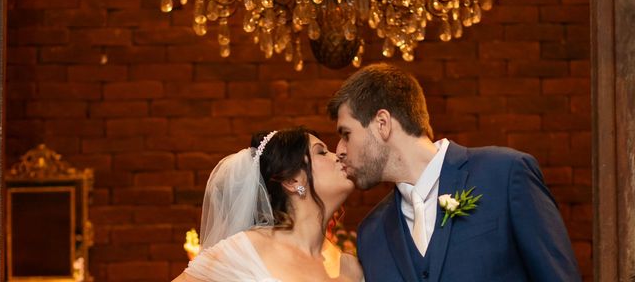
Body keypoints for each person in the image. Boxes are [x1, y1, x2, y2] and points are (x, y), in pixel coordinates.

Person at [328, 63, 581, 282]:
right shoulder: (372, 233)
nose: (339, 150)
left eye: (346, 134)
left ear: (382, 123)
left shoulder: (504, 175)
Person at [172, 127, 363, 282]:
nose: (337, 155)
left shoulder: (352, 268)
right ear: (293, 181)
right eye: (321, 152)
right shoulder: (246, 250)